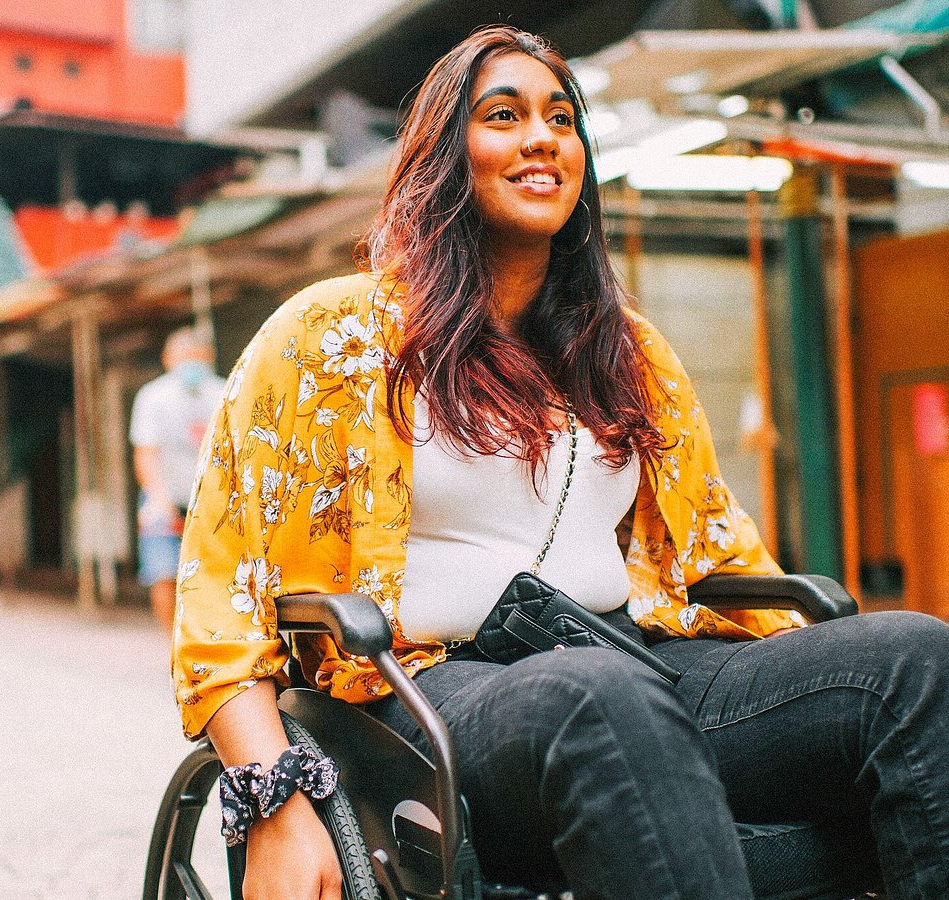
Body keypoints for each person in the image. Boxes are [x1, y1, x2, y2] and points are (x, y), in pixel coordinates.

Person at [172, 25, 949, 900]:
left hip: (627, 658)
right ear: (441, 153)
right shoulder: (331, 337)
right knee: (598, 697)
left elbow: (714, 554)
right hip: (426, 687)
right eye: (503, 115)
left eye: (561, 117)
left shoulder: (629, 350)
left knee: (913, 661)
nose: (542, 136)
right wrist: (273, 797)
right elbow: (221, 599)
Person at [130, 325, 224, 629]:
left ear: (209, 357)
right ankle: (172, 645)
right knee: (163, 572)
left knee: (217, 574)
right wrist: (158, 497)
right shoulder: (153, 396)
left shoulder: (224, 392)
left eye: (197, 357)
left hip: (212, 500)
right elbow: (146, 452)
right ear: (168, 359)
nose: (191, 365)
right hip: (164, 496)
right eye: (184, 357)